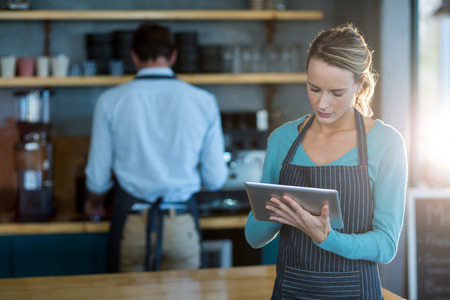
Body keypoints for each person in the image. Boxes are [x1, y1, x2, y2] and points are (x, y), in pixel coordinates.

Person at [245, 24, 407, 299]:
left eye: (336, 93)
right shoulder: (282, 139)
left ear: (359, 84)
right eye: (314, 88)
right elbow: (253, 236)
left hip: (356, 293)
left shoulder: (386, 143)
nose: (322, 104)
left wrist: (327, 238)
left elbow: (386, 245)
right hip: (290, 291)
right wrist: (276, 212)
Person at [84, 23, 228, 273]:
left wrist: (93, 203)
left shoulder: (110, 101)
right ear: (173, 56)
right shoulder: (204, 101)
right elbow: (215, 179)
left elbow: (97, 179)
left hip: (131, 225)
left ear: (133, 57)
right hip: (181, 225)